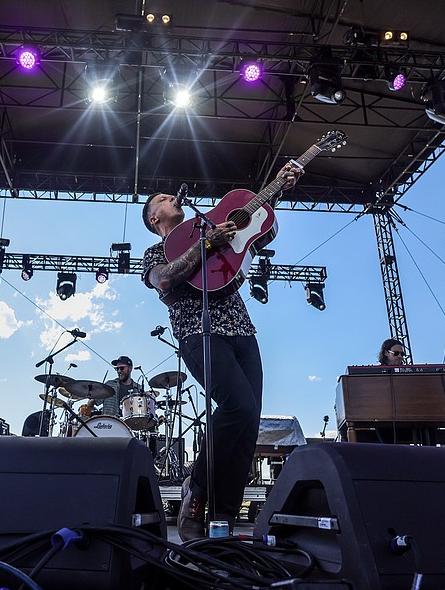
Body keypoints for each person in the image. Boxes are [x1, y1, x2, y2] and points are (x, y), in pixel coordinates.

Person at [141, 161, 302, 540]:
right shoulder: (155, 251)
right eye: (162, 199)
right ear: (153, 218)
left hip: (243, 331)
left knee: (247, 425)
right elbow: (165, 278)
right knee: (237, 407)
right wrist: (206, 244)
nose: (170, 197)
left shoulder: (211, 227)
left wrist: (278, 185)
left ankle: (225, 515)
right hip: (199, 332)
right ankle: (196, 490)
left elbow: (252, 218)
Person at [100, 355, 145, 420]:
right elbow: (94, 400)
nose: (118, 371)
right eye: (117, 369)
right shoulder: (109, 385)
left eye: (121, 368)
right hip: (109, 425)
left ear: (130, 368)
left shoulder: (138, 389)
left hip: (131, 427)